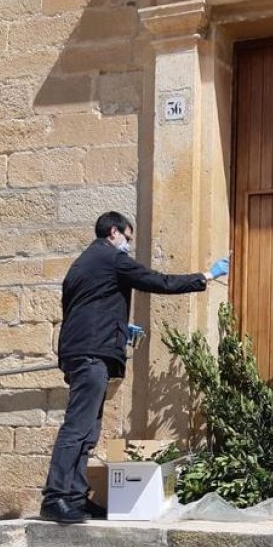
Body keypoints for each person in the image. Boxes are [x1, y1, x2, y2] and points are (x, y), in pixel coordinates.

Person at [42, 211, 230, 523]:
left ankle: (74, 496)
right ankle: (56, 497)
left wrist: (119, 328)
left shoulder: (82, 264)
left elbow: (85, 307)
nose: (128, 245)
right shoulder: (111, 258)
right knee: (77, 428)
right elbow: (157, 281)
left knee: (89, 430)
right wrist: (206, 277)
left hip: (84, 351)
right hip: (91, 355)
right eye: (127, 238)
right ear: (114, 232)